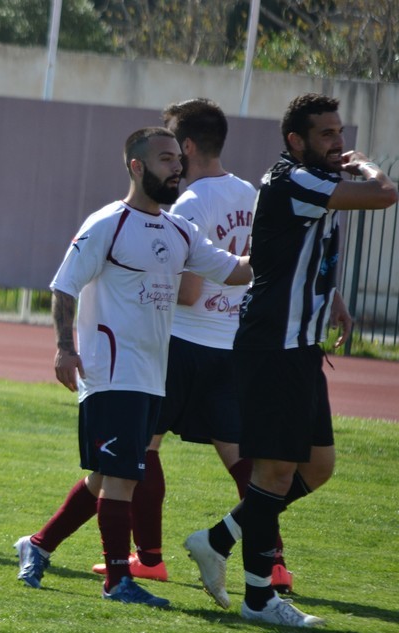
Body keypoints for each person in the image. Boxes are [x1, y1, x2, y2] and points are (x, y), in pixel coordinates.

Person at [13, 127, 252, 607]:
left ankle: (38, 545)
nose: (177, 167)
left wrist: (287, 246)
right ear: (136, 167)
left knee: (108, 476)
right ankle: (118, 581)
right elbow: (64, 286)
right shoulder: (108, 223)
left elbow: (235, 271)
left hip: (151, 377)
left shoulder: (180, 230)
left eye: (178, 159)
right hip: (111, 371)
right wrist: (64, 348)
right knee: (122, 478)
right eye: (166, 159)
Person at [183, 93, 397, 627]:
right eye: (327, 134)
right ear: (295, 141)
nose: (338, 142)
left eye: (341, 132)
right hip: (273, 345)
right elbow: (385, 194)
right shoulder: (295, 180)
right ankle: (260, 599)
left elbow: (296, 252)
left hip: (300, 345)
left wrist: (333, 297)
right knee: (275, 471)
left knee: (317, 467)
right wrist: (365, 165)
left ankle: (218, 539)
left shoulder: (310, 180)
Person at [88, 98, 295, 591]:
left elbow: (188, 291)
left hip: (182, 344)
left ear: (185, 147)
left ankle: (149, 558)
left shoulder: (189, 202)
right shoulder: (249, 192)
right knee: (239, 458)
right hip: (232, 344)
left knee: (141, 449)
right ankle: (274, 563)